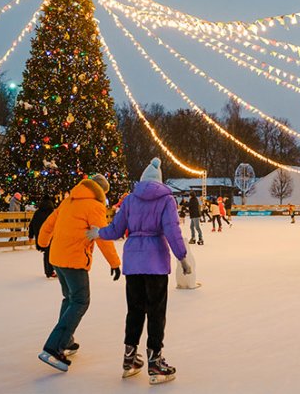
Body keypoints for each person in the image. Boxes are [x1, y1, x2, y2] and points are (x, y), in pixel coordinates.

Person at [90, 158, 191, 384]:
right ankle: (155, 363)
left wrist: (98, 232)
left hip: (133, 263)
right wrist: (182, 257)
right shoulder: (166, 199)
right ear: (159, 180)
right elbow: (172, 230)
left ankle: (129, 359)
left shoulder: (130, 200)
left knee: (134, 310)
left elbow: (115, 229)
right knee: (156, 311)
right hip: (155, 263)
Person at [36, 176, 121, 372]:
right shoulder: (95, 206)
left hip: (57, 257)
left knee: (69, 298)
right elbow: (102, 235)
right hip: (74, 260)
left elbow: (49, 222)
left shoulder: (69, 200)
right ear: (101, 191)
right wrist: (114, 262)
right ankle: (54, 347)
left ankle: (66, 340)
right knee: (81, 301)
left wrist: (43, 241)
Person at [28, 195, 56, 278]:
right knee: (50, 253)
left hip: (41, 236)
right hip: (51, 236)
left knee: (46, 253)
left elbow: (32, 224)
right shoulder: (52, 212)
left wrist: (31, 235)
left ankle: (49, 271)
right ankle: (50, 272)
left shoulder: (37, 212)